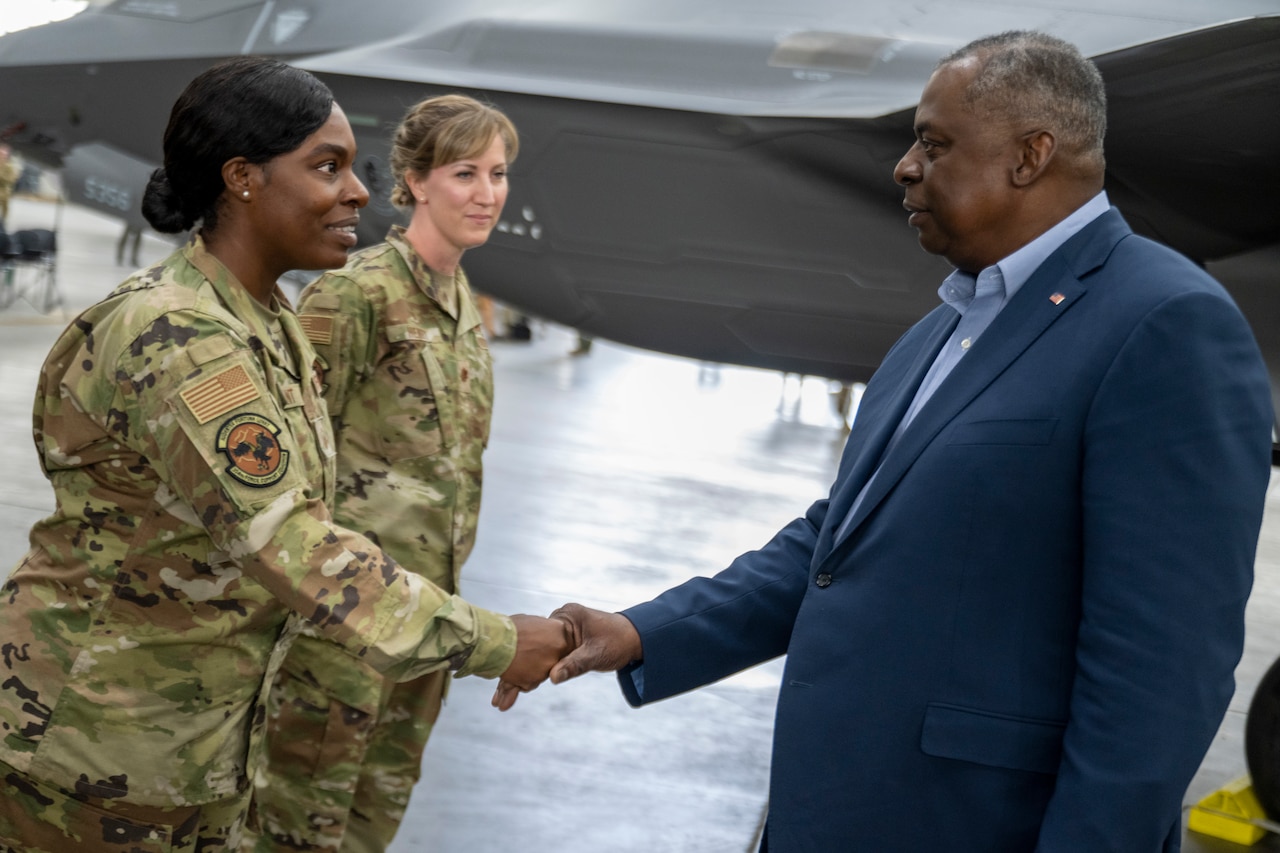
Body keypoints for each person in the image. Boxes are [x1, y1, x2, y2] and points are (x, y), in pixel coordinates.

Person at [516, 31, 1276, 851]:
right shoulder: (945, 328)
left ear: (1030, 155)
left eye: (933, 143)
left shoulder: (1165, 324)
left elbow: (1161, 673)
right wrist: (642, 630)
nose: (905, 167)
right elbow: (837, 541)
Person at [0, 57, 567, 853]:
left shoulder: (269, 326)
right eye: (326, 167)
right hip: (98, 748)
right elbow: (292, 543)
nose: (359, 192)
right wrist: (499, 639)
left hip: (198, 745)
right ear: (243, 179)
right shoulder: (182, 339)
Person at [244, 94, 516, 852]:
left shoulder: (465, 304)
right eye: (466, 173)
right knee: (297, 828)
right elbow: (289, 465)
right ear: (416, 180)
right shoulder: (356, 294)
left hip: (425, 624)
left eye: (498, 173)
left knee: (369, 826)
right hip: (342, 632)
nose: (487, 193)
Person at [0, 143, 19, 226]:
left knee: (5, 208)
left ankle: (3, 223)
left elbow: (11, 179)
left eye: (3, 154)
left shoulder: (9, 166)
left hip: (5, 191)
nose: (1, 156)